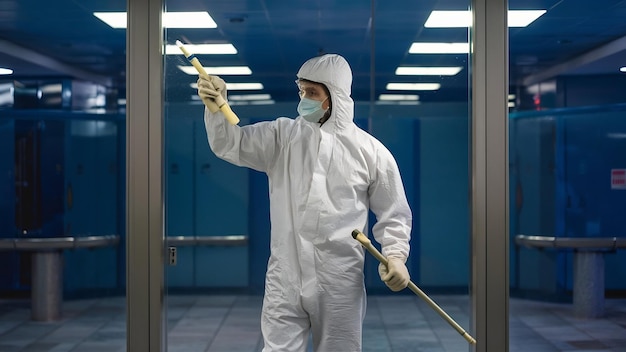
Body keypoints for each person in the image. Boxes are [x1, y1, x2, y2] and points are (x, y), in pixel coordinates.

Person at [197, 53, 412, 352]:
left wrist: (396, 256)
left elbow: (394, 213)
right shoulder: (283, 136)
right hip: (285, 277)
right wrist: (216, 109)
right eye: (302, 91)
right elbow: (231, 144)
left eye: (312, 92)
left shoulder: (371, 152)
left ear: (335, 96)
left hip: (338, 281)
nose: (304, 99)